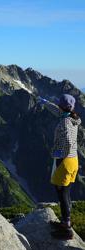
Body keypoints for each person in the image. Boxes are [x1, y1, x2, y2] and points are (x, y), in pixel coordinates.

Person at [37, 94, 81, 240]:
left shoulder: (65, 123)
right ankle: (64, 221)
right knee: (65, 191)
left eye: (58, 104)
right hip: (74, 160)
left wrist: (60, 155)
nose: (57, 106)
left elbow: (67, 141)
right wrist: (44, 102)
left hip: (65, 160)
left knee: (61, 193)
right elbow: (56, 111)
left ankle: (66, 228)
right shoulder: (71, 117)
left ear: (63, 106)